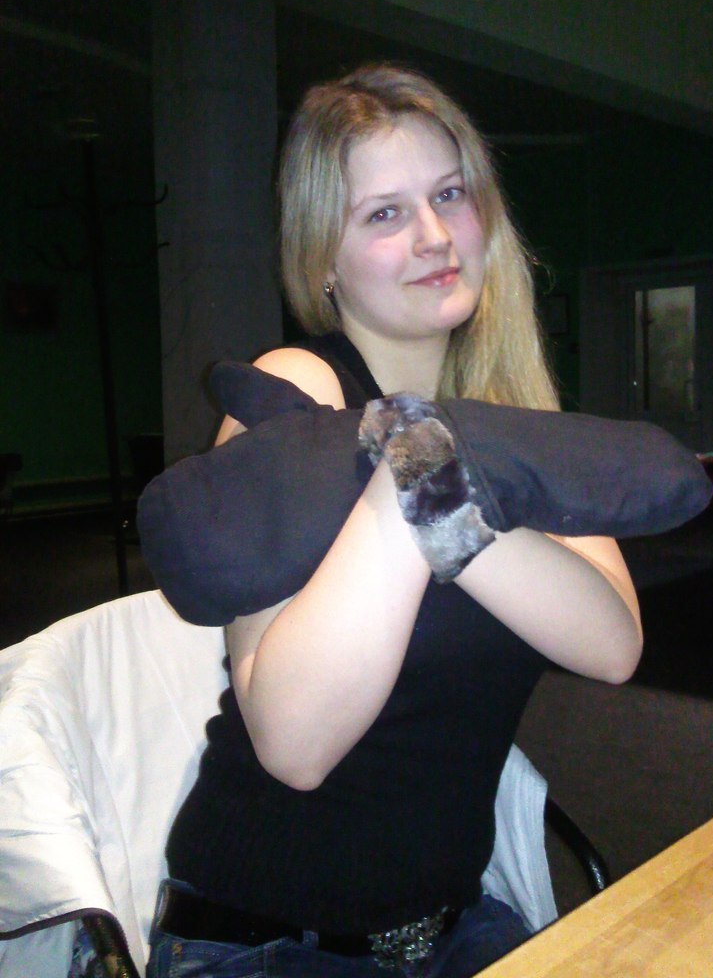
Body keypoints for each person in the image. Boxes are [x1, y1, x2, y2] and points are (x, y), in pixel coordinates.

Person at [145, 63, 646, 978]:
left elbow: (611, 642)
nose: (434, 235)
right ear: (322, 260)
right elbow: (296, 744)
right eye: (384, 213)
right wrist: (413, 467)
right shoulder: (295, 394)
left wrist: (421, 467)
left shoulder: (508, 412)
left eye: (448, 194)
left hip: (453, 925)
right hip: (263, 940)